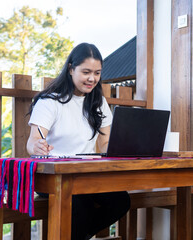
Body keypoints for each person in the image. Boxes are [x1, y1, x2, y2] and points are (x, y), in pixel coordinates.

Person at [26, 42, 130, 239]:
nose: (92, 78)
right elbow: (32, 142)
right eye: (86, 72)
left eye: (97, 73)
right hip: (53, 178)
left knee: (120, 201)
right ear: (71, 69)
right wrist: (37, 146)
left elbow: (106, 143)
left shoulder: (98, 102)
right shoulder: (50, 101)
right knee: (79, 203)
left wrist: (122, 148)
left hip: (86, 175)